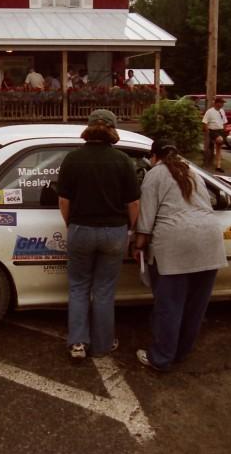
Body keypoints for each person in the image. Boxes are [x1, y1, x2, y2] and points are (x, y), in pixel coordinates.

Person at [133, 139, 227, 371]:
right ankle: (181, 352)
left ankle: (161, 358)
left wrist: (138, 244)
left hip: (176, 244)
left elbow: (146, 218)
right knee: (195, 307)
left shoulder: (154, 174)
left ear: (154, 157)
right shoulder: (192, 173)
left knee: (169, 306)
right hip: (210, 242)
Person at [56, 109, 140, 361]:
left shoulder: (72, 159)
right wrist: (131, 229)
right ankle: (103, 345)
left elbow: (63, 200)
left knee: (79, 287)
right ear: (112, 130)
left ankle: (78, 344)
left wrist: (72, 225)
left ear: (89, 128)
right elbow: (133, 203)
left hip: (81, 230)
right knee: (104, 290)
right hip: (114, 233)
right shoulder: (123, 160)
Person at [202, 96, 228, 173]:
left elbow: (224, 121)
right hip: (213, 130)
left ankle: (218, 166)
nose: (222, 104)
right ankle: (213, 141)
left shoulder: (222, 111)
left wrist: (224, 129)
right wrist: (207, 132)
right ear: (216, 103)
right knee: (219, 140)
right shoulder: (209, 111)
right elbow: (204, 122)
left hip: (220, 130)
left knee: (219, 148)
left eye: (223, 103)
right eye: (221, 103)